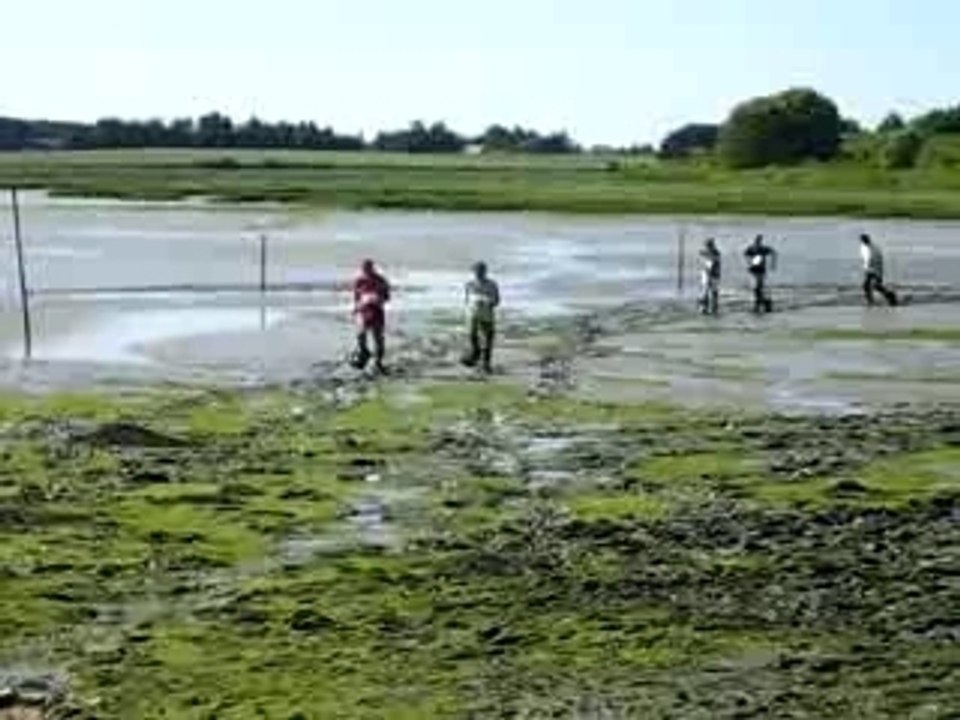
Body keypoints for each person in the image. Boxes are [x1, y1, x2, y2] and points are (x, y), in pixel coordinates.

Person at [351, 259, 391, 373]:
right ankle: (364, 353)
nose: (366, 271)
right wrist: (355, 308)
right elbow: (356, 296)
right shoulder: (359, 281)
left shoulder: (380, 280)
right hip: (363, 310)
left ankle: (378, 363)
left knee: (378, 337)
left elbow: (387, 297)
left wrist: (379, 299)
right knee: (360, 334)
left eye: (368, 268)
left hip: (376, 310)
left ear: (373, 268)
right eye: (364, 269)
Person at [461, 261, 501, 373]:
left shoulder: (492, 284)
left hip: (487, 315)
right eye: (476, 271)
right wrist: (468, 309)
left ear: (485, 272)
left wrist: (488, 302)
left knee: (488, 339)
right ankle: (474, 356)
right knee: (472, 336)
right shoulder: (469, 285)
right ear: (474, 272)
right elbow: (466, 300)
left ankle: (486, 364)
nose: (478, 274)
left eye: (481, 271)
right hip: (472, 314)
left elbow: (497, 300)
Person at [860, 234, 898, 307]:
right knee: (867, 286)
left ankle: (890, 296)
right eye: (862, 240)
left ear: (866, 240)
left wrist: (877, 272)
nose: (862, 242)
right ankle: (871, 300)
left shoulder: (873, 248)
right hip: (872, 270)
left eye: (863, 240)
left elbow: (876, 260)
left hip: (876, 270)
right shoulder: (869, 248)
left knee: (875, 286)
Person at [744, 234, 777, 314]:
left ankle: (761, 303)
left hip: (761, 270)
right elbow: (745, 255)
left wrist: (773, 263)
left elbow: (774, 252)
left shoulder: (763, 249)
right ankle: (764, 303)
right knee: (756, 288)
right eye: (757, 241)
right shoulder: (751, 248)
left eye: (759, 241)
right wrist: (749, 263)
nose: (758, 242)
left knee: (758, 287)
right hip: (754, 270)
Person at [698, 238, 722, 315]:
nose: (708, 247)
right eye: (708, 245)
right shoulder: (705, 253)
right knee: (705, 291)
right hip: (706, 274)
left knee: (714, 291)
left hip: (714, 274)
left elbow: (714, 262)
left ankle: (714, 307)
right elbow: (704, 262)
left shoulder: (716, 253)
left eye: (709, 245)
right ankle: (704, 308)